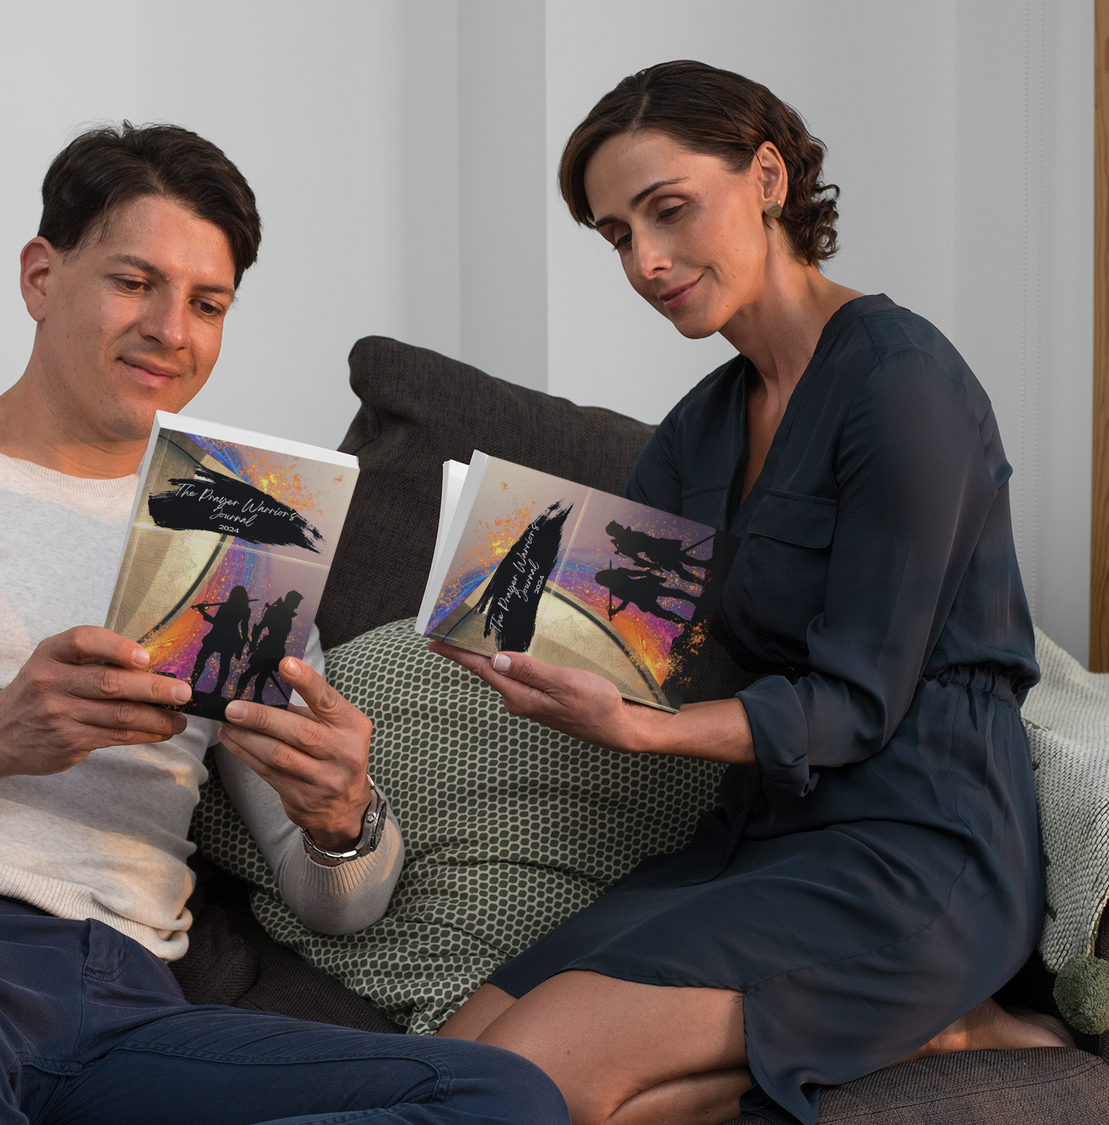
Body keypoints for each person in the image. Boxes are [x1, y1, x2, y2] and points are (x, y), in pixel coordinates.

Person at [0, 123, 567, 1125]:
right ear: (42, 276)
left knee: (499, 1094)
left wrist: (346, 821)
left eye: (207, 304)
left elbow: (333, 901)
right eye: (136, 282)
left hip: (127, 1008)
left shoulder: (240, 523)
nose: (172, 329)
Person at [430, 61, 1073, 1125]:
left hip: (921, 840)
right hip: (756, 836)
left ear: (767, 177)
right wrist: (521, 640)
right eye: (614, 234)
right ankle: (902, 1028)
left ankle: (941, 1002)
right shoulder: (700, 425)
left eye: (668, 210)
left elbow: (861, 702)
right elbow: (638, 649)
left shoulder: (901, 378)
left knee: (530, 1080)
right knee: (453, 1065)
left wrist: (648, 735)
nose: (645, 259)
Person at [188, 585, 252, 699]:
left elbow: (216, 622)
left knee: (201, 658)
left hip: (217, 635)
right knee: (224, 664)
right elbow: (244, 627)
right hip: (231, 638)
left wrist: (202, 611)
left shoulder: (225, 606)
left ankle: (192, 684)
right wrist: (241, 643)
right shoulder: (246, 610)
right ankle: (217, 690)